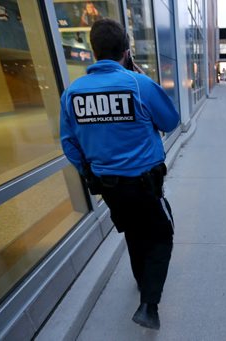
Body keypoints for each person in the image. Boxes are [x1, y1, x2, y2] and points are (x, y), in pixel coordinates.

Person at [60, 18, 180, 330]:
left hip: (109, 186)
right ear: (126, 52)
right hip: (144, 183)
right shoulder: (138, 84)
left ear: (93, 50)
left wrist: (89, 172)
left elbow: (69, 144)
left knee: (133, 231)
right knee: (161, 235)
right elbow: (170, 122)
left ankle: (143, 282)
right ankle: (149, 304)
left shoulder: (72, 94)